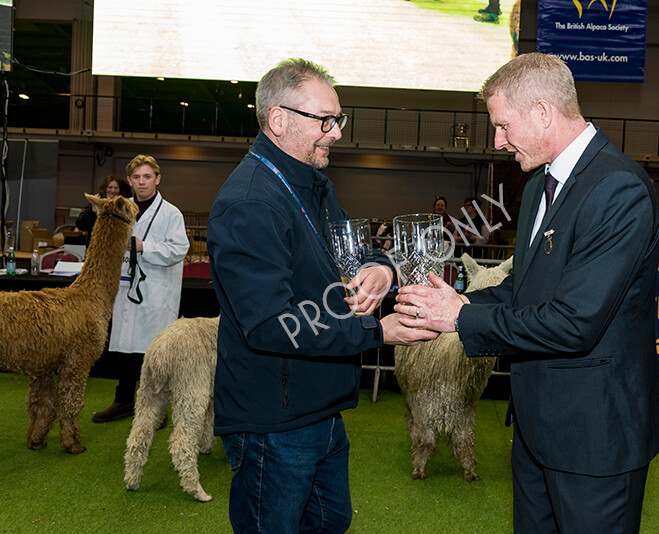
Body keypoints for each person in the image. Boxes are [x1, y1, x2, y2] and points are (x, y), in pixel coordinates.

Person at [392, 53, 659, 533]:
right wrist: (451, 306)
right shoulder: (540, 184)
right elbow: (525, 288)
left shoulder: (617, 188)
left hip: (593, 442)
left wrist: (461, 319)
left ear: (542, 112)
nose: (497, 141)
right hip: (537, 432)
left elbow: (574, 322)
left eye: (503, 125)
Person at [206, 58, 432, 534]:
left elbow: (350, 250)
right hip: (275, 419)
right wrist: (375, 329)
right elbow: (273, 324)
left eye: (338, 120)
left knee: (330, 521)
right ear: (278, 119)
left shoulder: (312, 185)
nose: (335, 132)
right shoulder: (250, 202)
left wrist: (380, 267)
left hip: (319, 405)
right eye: (324, 121)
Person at [92, 155, 189, 423]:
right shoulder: (122, 208)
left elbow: (180, 249)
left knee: (152, 352)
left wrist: (144, 246)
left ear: (157, 179)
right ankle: (123, 401)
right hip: (125, 287)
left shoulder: (171, 213)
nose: (142, 182)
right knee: (127, 348)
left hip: (157, 291)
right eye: (136, 177)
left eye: (147, 177)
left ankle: (157, 410)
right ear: (130, 181)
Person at [75, 175, 132, 241]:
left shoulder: (124, 205)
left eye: (116, 188)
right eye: (110, 187)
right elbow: (81, 226)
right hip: (97, 245)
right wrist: (92, 211)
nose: (113, 190)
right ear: (105, 189)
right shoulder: (96, 203)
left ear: (120, 190)